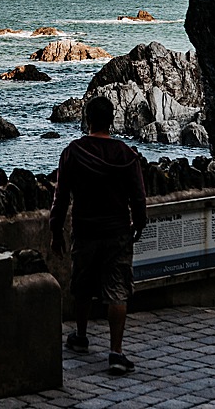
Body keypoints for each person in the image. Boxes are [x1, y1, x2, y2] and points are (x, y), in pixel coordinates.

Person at [49, 95, 147, 375]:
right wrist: (139, 223)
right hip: (117, 230)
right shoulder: (126, 155)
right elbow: (138, 197)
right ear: (112, 120)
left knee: (82, 285)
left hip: (85, 229)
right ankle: (116, 352)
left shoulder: (73, 152)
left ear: (87, 120)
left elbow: (61, 197)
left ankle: (80, 336)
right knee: (117, 290)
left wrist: (56, 231)